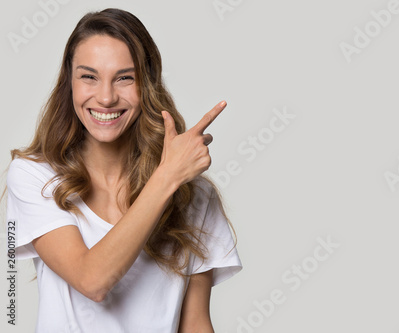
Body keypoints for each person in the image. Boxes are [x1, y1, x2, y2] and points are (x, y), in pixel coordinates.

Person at [5, 8, 242, 333]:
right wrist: (168, 176)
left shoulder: (194, 195)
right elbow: (92, 280)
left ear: (147, 85)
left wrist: (173, 179)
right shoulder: (36, 177)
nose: (105, 97)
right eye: (89, 76)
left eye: (125, 78)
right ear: (69, 83)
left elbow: (196, 324)